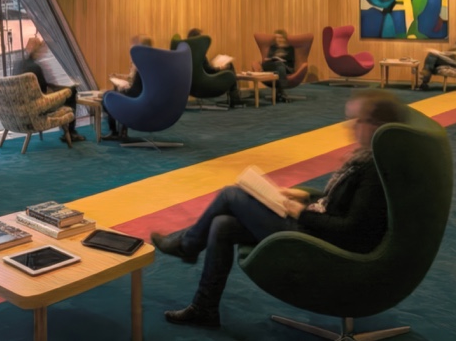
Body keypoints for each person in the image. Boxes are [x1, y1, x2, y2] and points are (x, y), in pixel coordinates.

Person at [150, 90, 409, 329]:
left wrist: (300, 212)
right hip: (315, 226)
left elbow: (350, 229)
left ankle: (187, 246)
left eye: (357, 120)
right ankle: (204, 308)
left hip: (318, 242)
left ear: (376, 127)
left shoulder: (373, 170)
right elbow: (338, 204)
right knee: (222, 226)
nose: (350, 126)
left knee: (231, 194)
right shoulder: (366, 159)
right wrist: (306, 195)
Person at [17, 36, 82, 143]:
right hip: (39, 104)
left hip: (26, 104)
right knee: (71, 91)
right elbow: (44, 90)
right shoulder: (35, 68)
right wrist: (61, 92)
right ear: (37, 50)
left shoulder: (19, 65)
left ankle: (68, 130)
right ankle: (70, 132)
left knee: (65, 90)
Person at [105, 35, 152, 140]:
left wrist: (124, 87)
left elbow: (136, 89)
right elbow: (134, 81)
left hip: (138, 99)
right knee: (115, 92)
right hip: (142, 96)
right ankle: (122, 130)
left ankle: (115, 131)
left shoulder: (140, 65)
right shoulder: (147, 63)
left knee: (108, 96)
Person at [414, 25, 456, 90]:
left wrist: (444, 53)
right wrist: (442, 53)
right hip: (452, 59)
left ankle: (424, 80)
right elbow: (451, 51)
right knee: (432, 57)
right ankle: (424, 80)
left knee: (431, 56)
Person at [259, 29, 296, 103]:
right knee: (265, 64)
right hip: (274, 65)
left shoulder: (290, 48)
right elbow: (269, 57)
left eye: (280, 37)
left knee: (280, 64)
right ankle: (281, 93)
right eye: (277, 38)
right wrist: (270, 59)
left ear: (284, 38)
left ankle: (281, 91)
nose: (278, 39)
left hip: (286, 66)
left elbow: (291, 60)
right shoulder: (273, 47)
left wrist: (281, 60)